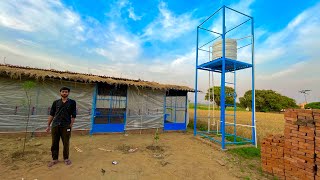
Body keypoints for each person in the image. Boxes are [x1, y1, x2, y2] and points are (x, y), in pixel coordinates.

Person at [46, 87, 76, 167]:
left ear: (68, 93)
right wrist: (48, 125)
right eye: (63, 92)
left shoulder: (72, 102)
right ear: (60, 93)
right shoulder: (56, 102)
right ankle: (54, 159)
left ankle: (66, 158)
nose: (64, 93)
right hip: (55, 125)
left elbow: (74, 115)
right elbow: (52, 114)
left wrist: (71, 125)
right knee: (54, 143)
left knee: (66, 143)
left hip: (66, 125)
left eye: (66, 92)